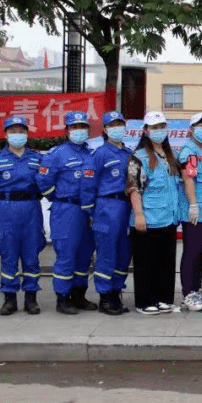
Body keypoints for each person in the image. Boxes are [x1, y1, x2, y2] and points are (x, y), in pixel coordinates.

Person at [0, 116, 45, 316]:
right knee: (8, 255)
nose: (18, 135)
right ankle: (9, 298)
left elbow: (44, 183)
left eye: (21, 131)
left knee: (31, 256)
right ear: (5, 134)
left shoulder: (36, 158)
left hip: (31, 209)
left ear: (27, 133)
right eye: (13, 131)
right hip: (5, 210)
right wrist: (4, 201)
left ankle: (31, 298)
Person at [37, 111, 98, 315]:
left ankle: (79, 295)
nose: (79, 131)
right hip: (67, 210)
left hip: (88, 210)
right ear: (67, 130)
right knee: (66, 255)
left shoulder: (91, 153)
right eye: (74, 127)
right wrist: (61, 198)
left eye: (82, 127)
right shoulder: (57, 154)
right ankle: (62, 298)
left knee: (85, 255)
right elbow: (43, 182)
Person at [126, 112, 180, 314]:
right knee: (145, 262)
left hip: (168, 217)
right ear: (146, 131)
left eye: (161, 127)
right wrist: (139, 215)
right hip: (148, 217)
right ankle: (144, 301)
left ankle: (164, 298)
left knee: (166, 261)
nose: (159, 132)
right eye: (154, 128)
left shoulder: (169, 155)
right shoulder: (138, 157)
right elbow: (134, 188)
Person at [88, 111, 133, 315]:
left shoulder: (129, 153)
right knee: (107, 254)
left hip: (127, 207)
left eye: (120, 124)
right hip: (107, 207)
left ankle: (116, 292)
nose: (117, 128)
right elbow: (89, 186)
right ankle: (105, 298)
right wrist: (92, 212)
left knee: (123, 255)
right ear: (104, 130)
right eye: (112, 125)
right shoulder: (100, 154)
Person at [177, 113, 202, 312]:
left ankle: (197, 288)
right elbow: (188, 178)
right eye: (201, 125)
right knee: (192, 251)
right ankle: (188, 293)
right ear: (191, 129)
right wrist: (193, 204)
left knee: (201, 252)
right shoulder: (189, 150)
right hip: (194, 211)